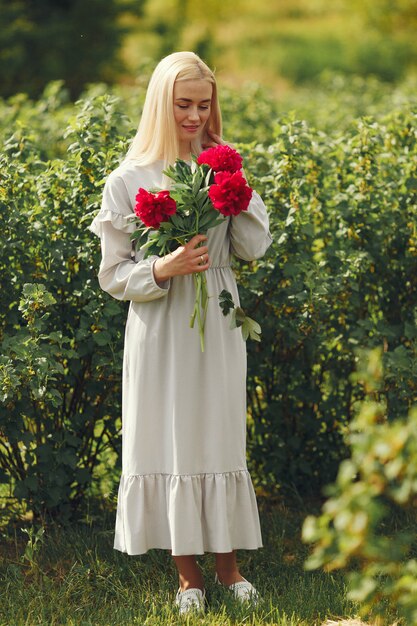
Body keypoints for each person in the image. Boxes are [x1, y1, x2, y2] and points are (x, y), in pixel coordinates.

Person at [90, 51, 272, 615]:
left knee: (217, 432)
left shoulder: (220, 164)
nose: (195, 116)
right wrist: (161, 268)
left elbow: (253, 248)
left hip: (217, 315)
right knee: (168, 433)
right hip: (161, 321)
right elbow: (113, 275)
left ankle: (230, 568)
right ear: (160, 104)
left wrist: (233, 188)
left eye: (204, 104)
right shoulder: (128, 179)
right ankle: (188, 578)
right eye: (183, 105)